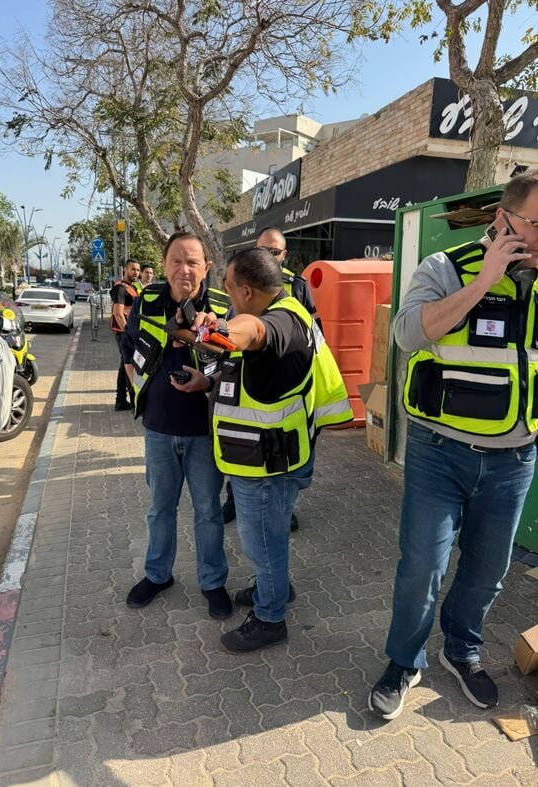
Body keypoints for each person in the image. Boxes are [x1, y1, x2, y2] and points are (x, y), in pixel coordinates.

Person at [369, 169, 538, 721]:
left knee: (488, 570)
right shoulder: (444, 267)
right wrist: (484, 282)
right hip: (440, 452)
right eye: (537, 224)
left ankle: (461, 650)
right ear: (503, 219)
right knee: (423, 566)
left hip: (515, 458)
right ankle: (404, 661)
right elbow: (407, 334)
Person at [181, 248, 352, 652]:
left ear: (246, 290)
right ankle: (274, 588)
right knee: (268, 538)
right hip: (268, 456)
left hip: (265, 465)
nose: (227, 297)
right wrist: (208, 380)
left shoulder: (278, 321)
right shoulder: (287, 310)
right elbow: (251, 368)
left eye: (228, 289)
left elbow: (251, 332)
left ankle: (270, 618)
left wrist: (223, 329)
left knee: (262, 542)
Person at [121, 231, 232, 620]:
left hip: (205, 430)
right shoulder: (148, 300)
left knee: (208, 511)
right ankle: (158, 574)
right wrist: (143, 389)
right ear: (164, 264)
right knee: (160, 509)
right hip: (159, 427)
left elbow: (234, 365)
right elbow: (129, 350)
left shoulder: (222, 306)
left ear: (207, 266)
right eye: (176, 261)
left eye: (192, 262)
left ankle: (213, 582)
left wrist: (208, 383)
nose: (184, 269)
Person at [221, 226, 320, 530]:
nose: (269, 256)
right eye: (264, 250)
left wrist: (216, 335)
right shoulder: (242, 285)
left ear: (284, 254)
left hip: (282, 410)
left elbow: (264, 329)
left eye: (274, 252)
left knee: (268, 524)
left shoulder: (295, 289)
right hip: (248, 408)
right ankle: (239, 501)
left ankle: (282, 509)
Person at [110, 259, 140, 411]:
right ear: (125, 270)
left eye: (137, 270)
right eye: (133, 269)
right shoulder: (120, 288)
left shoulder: (132, 288)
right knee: (127, 364)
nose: (136, 272)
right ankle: (125, 399)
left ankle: (122, 399)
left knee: (125, 365)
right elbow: (118, 313)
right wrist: (129, 334)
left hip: (129, 332)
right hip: (124, 333)